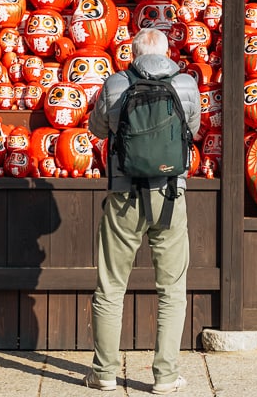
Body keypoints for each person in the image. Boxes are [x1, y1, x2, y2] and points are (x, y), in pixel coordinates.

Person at [84, 27, 201, 394]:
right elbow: (193, 132)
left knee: (110, 287)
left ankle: (104, 373)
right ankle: (165, 376)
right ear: (167, 52)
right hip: (169, 197)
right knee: (171, 289)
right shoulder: (185, 84)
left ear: (132, 53)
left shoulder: (115, 84)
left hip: (123, 196)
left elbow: (97, 129)